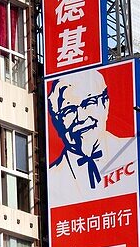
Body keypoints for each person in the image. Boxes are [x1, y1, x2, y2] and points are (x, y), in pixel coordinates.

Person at [46, 68, 133, 205]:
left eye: (88, 103)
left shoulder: (132, 153)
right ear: (56, 121)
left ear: (105, 104)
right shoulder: (51, 178)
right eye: (69, 110)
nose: (81, 117)